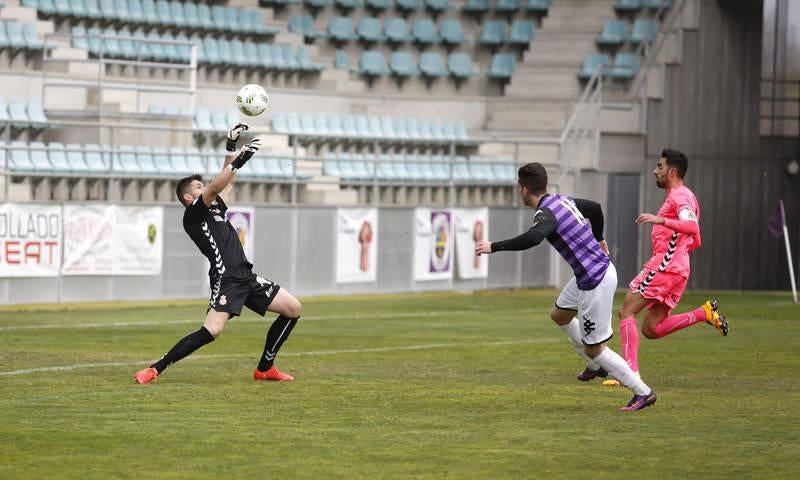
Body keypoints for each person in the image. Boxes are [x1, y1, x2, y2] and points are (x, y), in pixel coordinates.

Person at [475, 162, 657, 411]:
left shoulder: (545, 213)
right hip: (591, 273)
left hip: (596, 279)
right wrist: (600, 237)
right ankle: (595, 367)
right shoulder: (562, 200)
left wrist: (494, 246)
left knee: (595, 348)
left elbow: (533, 238)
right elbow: (595, 209)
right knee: (559, 315)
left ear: (524, 189)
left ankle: (642, 392)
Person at [134, 123, 302, 384]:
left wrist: (231, 146)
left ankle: (266, 368)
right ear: (189, 198)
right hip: (227, 279)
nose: (205, 188)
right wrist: (241, 159)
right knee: (211, 330)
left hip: (246, 275)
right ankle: (156, 368)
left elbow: (225, 183)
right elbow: (216, 186)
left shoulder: (214, 209)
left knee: (293, 308)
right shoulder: (192, 214)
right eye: (199, 187)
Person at [604, 149, 728, 386]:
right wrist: (678, 252)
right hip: (677, 268)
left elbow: (691, 227)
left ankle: (630, 375)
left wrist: (661, 221)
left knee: (626, 311)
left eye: (659, 166)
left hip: (665, 265)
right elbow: (695, 238)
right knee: (651, 329)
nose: (655, 170)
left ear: (672, 172)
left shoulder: (678, 196)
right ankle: (703, 314)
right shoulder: (685, 196)